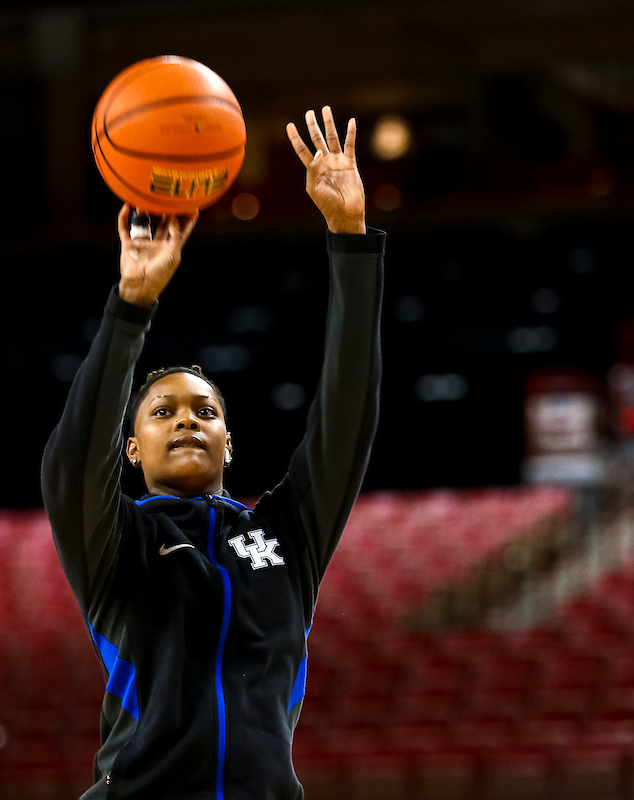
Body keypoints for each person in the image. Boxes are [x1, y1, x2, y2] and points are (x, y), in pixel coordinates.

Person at [41, 105, 383, 800]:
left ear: (231, 438)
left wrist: (349, 240)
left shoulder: (287, 537)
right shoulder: (117, 545)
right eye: (162, 412)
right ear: (131, 448)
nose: (187, 420)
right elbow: (73, 461)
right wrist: (132, 305)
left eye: (206, 411)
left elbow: (346, 418)